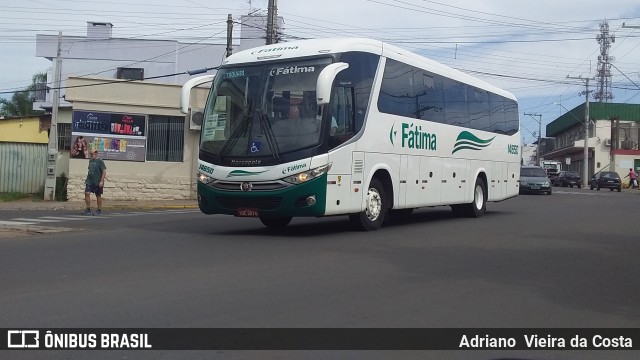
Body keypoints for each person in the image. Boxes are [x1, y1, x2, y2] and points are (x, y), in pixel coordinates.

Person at [82, 150, 107, 215]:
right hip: (90, 180)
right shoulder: (90, 161)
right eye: (90, 154)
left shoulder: (100, 161)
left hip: (97, 181)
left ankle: (99, 209)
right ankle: (88, 209)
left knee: (98, 195)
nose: (91, 155)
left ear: (96, 153)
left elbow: (104, 171)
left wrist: (101, 181)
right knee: (87, 193)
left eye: (92, 154)